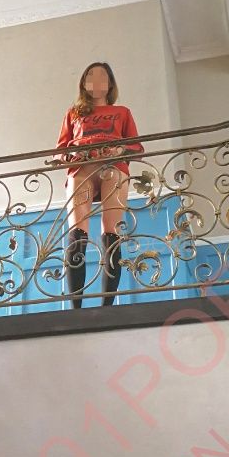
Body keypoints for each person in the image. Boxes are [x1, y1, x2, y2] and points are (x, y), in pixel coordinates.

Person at [53, 62, 144, 309]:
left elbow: (137, 147)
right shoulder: (73, 113)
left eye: (102, 77)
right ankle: (76, 307)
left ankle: (107, 307)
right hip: (81, 168)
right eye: (90, 77)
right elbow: (61, 149)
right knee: (77, 232)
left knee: (111, 233)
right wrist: (67, 156)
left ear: (110, 83)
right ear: (83, 83)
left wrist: (120, 149)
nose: (96, 81)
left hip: (113, 167)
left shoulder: (122, 112)